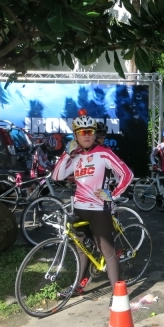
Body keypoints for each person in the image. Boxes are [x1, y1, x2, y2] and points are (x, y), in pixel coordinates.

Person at [52, 114, 134, 304]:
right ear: (76, 136)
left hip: (99, 209)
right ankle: (78, 286)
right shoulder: (76, 156)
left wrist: (113, 194)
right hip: (79, 210)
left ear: (95, 134)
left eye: (90, 131)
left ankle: (119, 296)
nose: (86, 135)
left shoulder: (104, 153)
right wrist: (66, 154)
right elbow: (57, 176)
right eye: (82, 132)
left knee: (107, 251)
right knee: (82, 250)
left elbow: (127, 174)